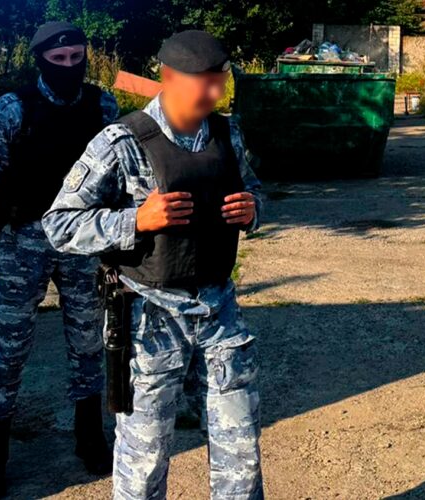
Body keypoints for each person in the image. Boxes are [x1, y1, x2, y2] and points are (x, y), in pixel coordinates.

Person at [42, 30, 265, 499]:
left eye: (219, 80)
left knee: (241, 454)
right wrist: (135, 220)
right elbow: (59, 224)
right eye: (202, 81)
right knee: (143, 463)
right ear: (168, 76)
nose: (213, 92)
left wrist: (253, 211)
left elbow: (254, 190)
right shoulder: (120, 142)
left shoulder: (227, 133)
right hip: (148, 317)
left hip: (219, 311)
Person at [0, 21, 118, 498]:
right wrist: (16, 220)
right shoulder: (9, 111)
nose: (69, 66)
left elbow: (116, 174)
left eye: (76, 57)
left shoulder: (102, 107)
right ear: (39, 60)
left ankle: (89, 437)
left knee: (88, 341)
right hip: (26, 243)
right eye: (58, 59)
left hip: (82, 243)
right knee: (10, 346)